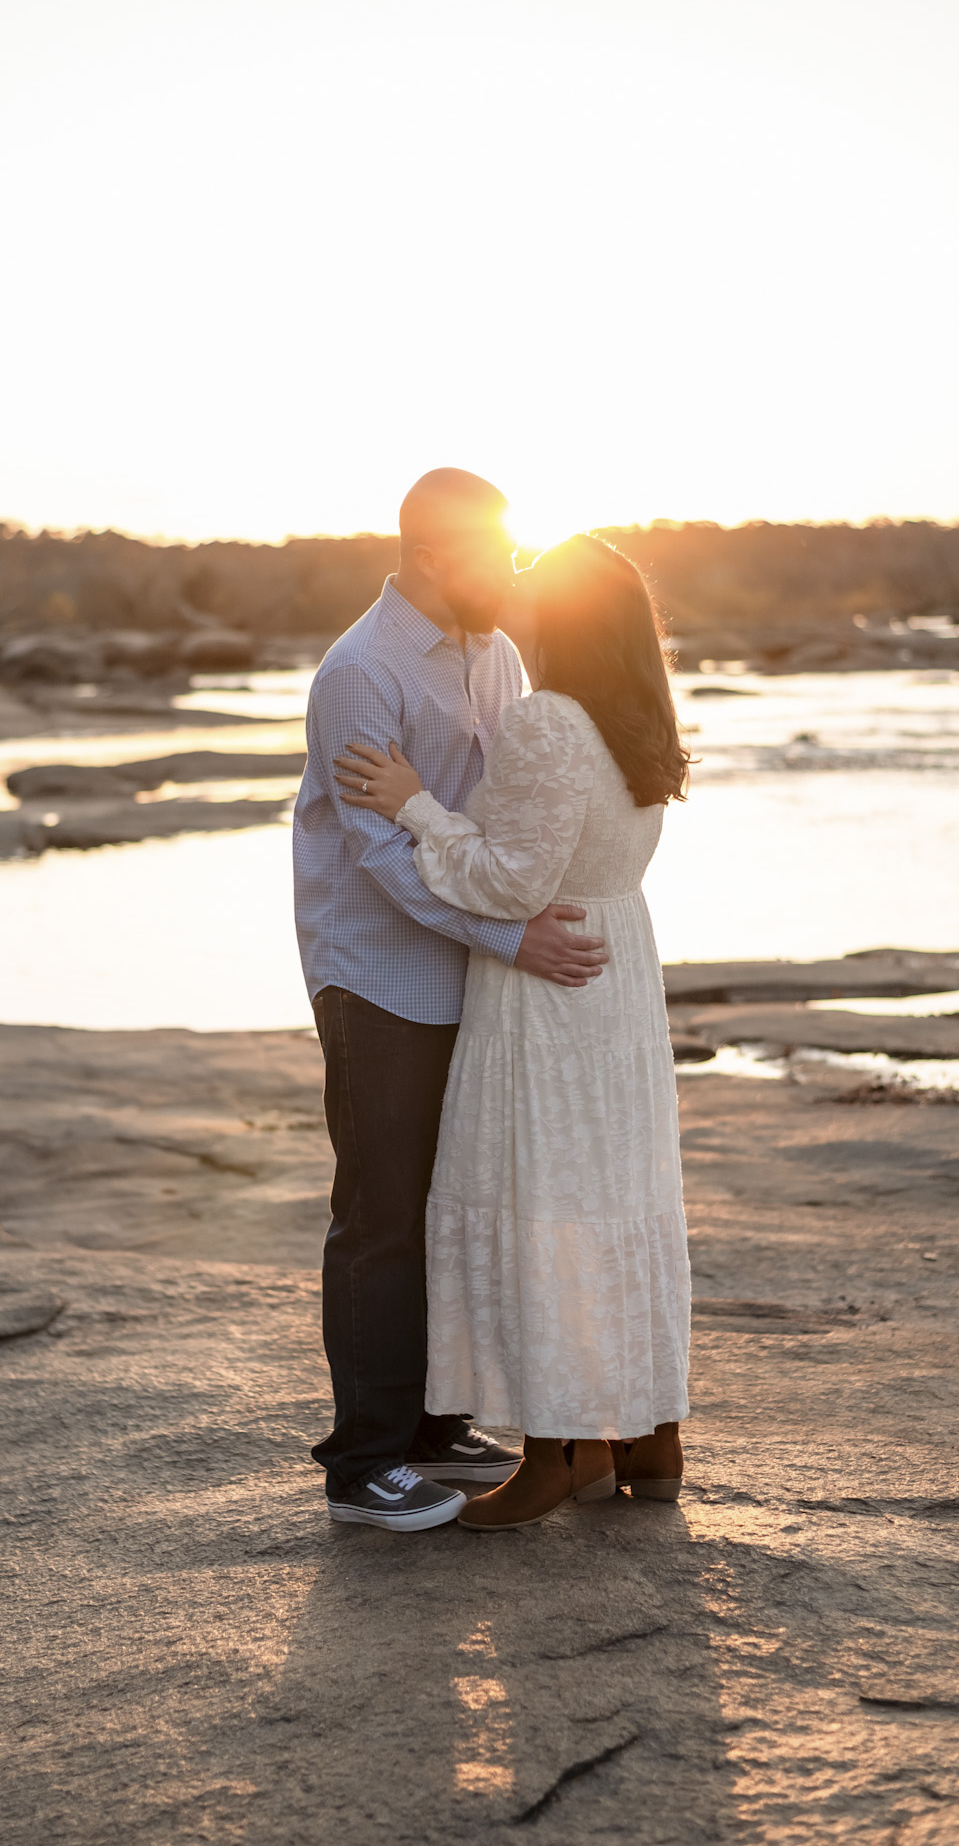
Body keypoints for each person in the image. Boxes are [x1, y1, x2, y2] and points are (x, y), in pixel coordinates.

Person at [335, 533, 692, 1530]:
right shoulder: (635, 716)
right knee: (616, 1194)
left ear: (568, 615)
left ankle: (560, 1449)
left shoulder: (544, 719)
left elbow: (507, 881)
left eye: (533, 577)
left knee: (545, 1198)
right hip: (616, 969)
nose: (512, 582)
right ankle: (647, 1435)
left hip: (547, 981)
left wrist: (415, 805)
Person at [292, 470, 611, 1531]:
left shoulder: (497, 652)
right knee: (381, 1214)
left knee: (453, 1202)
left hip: (473, 967)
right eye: (491, 550)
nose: (510, 568)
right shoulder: (360, 672)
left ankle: (434, 1425)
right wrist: (511, 936)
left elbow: (493, 816)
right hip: (380, 973)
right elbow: (382, 855)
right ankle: (362, 1465)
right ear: (430, 553)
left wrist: (522, 914)